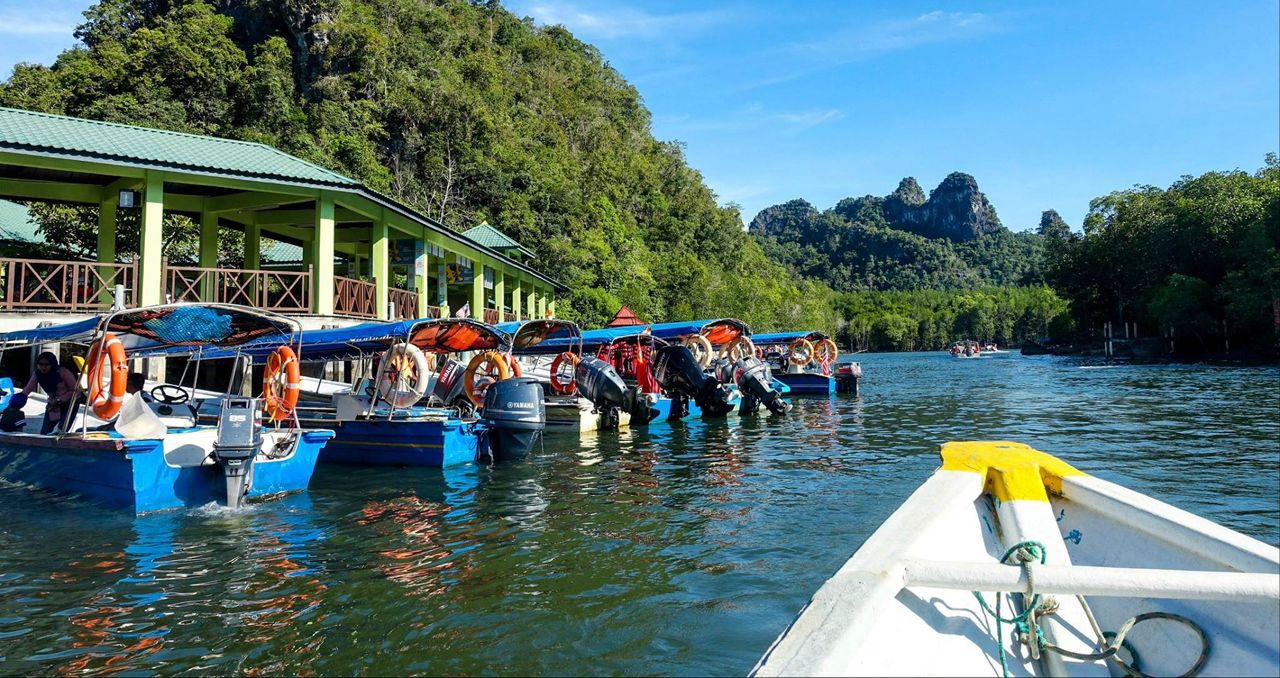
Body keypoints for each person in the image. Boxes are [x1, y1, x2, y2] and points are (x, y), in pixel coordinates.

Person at [23, 351, 79, 434]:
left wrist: (61, 399)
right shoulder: (37, 374)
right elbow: (28, 388)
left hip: (71, 403)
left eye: (46, 364)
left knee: (62, 429)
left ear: (52, 364)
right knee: (45, 431)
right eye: (40, 364)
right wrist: (19, 398)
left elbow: (75, 390)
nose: (43, 367)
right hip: (53, 404)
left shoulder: (63, 372)